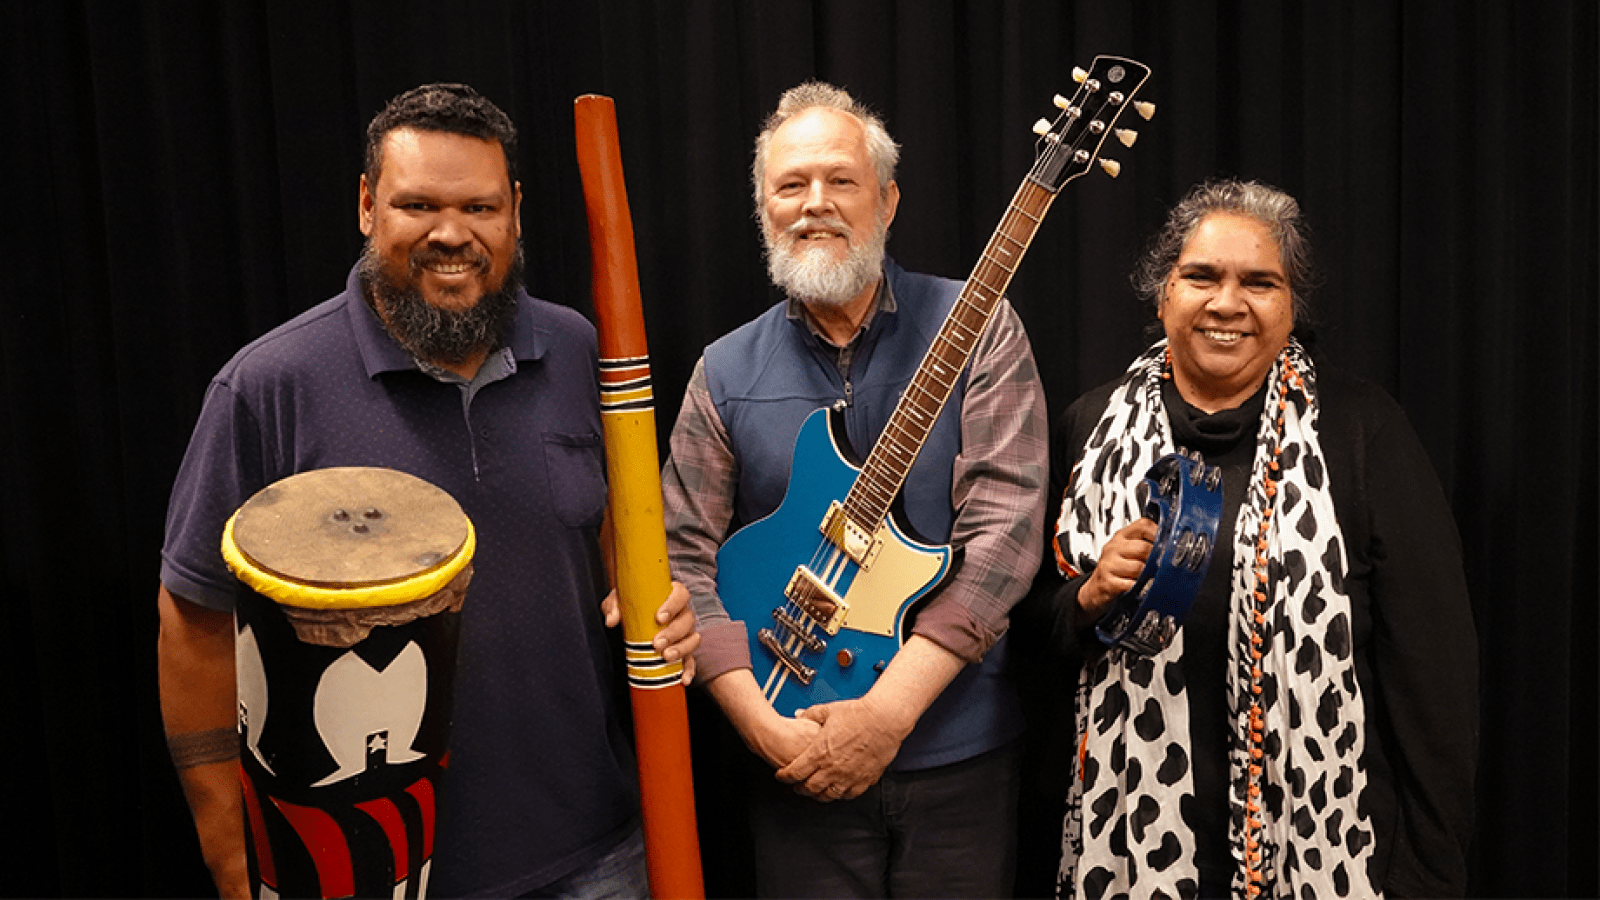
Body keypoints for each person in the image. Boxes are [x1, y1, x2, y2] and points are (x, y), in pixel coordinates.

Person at [156, 82, 698, 899]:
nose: (453, 235)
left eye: (480, 207)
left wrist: (656, 599)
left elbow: (601, 537)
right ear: (369, 206)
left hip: (597, 851)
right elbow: (194, 623)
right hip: (377, 871)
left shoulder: (576, 347)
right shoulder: (270, 386)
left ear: (515, 210)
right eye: (419, 206)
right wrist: (233, 857)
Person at [1015, 179, 1477, 898]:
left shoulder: (1361, 432)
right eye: (1202, 276)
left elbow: (1434, 674)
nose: (1227, 303)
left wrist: (1429, 872)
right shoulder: (1089, 424)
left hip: (1330, 846)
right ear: (1163, 294)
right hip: (1130, 849)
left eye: (1259, 282)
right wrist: (1087, 597)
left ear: (1291, 307)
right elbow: (1028, 634)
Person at [660, 81, 1048, 898]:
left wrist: (888, 716)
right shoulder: (723, 370)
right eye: (790, 185)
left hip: (958, 755)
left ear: (888, 198)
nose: (815, 204)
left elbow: (1005, 534)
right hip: (789, 744)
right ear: (762, 206)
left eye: (841, 180)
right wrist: (764, 729)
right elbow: (680, 557)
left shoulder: (976, 324)